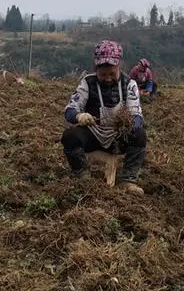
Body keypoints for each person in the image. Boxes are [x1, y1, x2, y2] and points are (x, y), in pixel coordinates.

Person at [61, 40, 146, 195]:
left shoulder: (130, 84)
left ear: (119, 66)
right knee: (70, 136)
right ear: (96, 70)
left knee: (139, 135)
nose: (107, 78)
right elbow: (70, 110)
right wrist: (79, 115)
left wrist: (130, 124)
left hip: (118, 136)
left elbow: (137, 115)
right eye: (103, 75)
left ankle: (128, 180)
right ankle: (82, 175)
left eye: (112, 74)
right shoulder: (87, 82)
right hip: (94, 134)